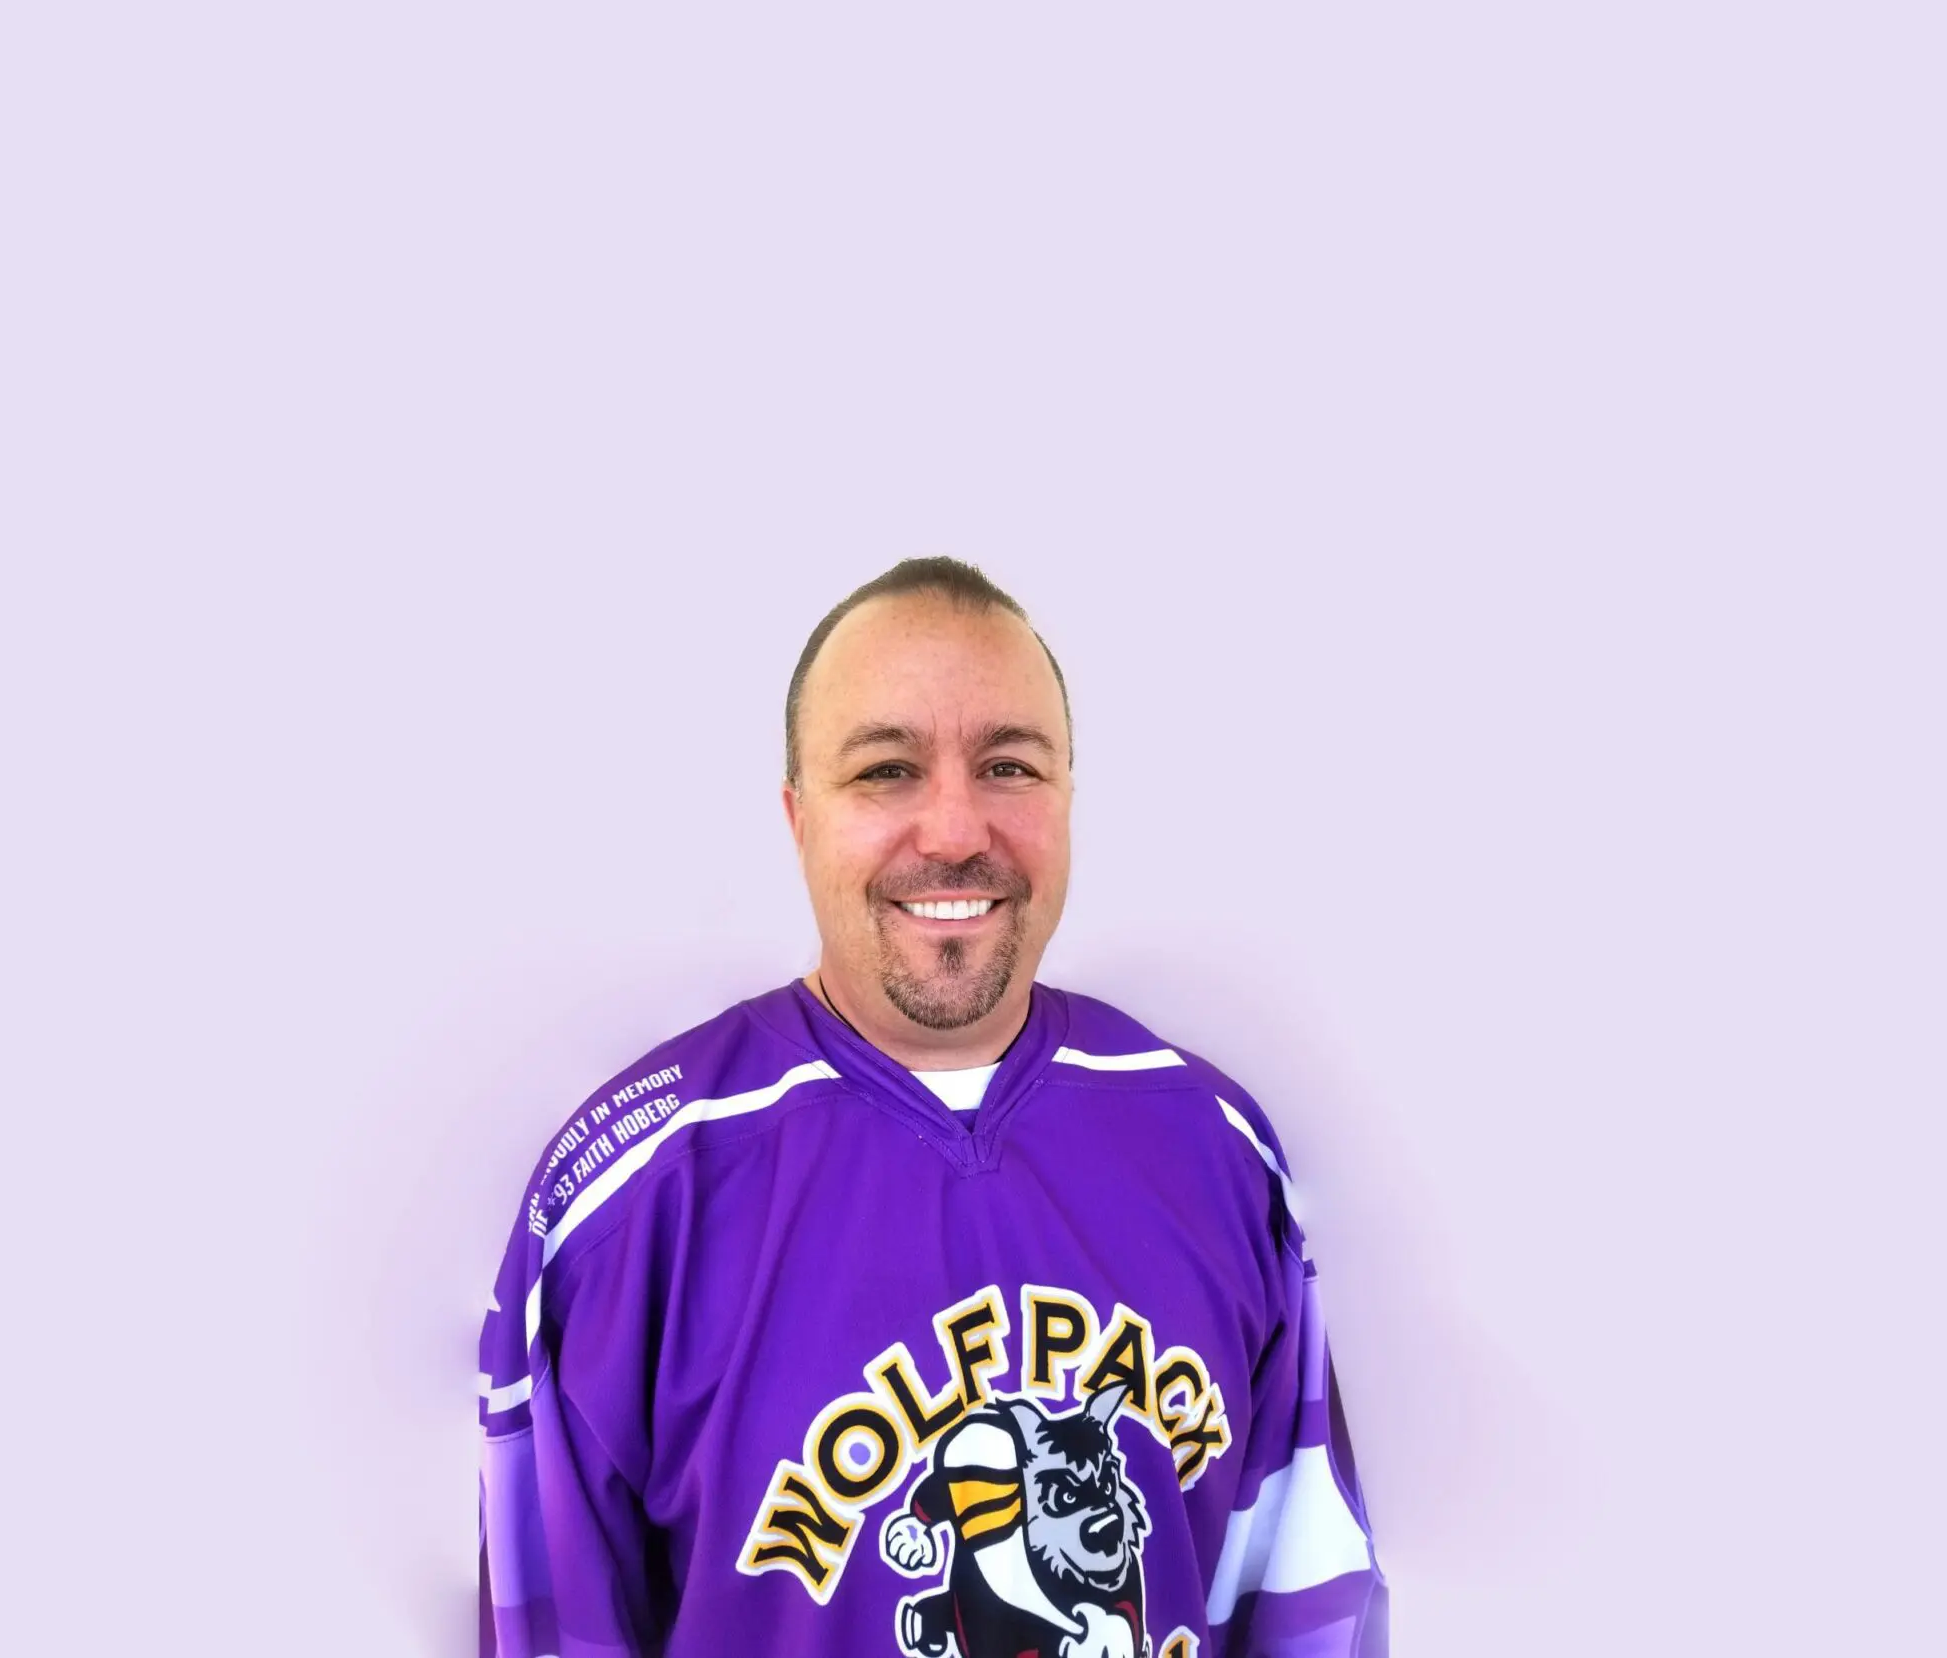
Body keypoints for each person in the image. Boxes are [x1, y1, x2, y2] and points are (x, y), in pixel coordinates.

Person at [477, 559, 1389, 1658]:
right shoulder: (625, 1198)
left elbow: (1304, 1611)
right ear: (798, 816)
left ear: (1066, 799)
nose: (954, 830)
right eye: (886, 770)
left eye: (1008, 766)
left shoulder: (1217, 1152)